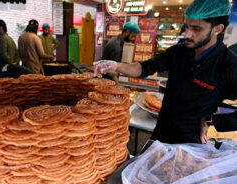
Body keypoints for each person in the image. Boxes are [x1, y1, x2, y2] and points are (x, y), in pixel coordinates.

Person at [95, 0, 237, 144]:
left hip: (192, 142)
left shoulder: (229, 65)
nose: (187, 34)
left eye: (196, 29)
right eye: (186, 27)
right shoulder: (179, 51)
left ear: (217, 29)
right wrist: (116, 66)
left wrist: (211, 120)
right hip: (161, 134)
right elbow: (144, 68)